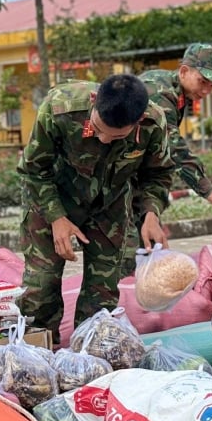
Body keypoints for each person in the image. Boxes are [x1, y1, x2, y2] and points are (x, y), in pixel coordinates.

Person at [17, 74, 176, 346]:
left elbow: (157, 175)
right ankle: (34, 359)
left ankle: (87, 361)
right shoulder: (60, 109)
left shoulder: (152, 123)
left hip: (108, 209)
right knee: (40, 289)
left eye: (115, 136)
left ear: (137, 122)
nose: (103, 139)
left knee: (101, 294)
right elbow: (33, 171)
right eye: (98, 129)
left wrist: (151, 214)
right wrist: (56, 217)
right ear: (93, 101)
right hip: (51, 199)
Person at [138, 43, 212, 225]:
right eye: (202, 81)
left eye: (211, 85)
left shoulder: (176, 92)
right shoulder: (160, 94)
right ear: (184, 72)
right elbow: (176, 152)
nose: (206, 91)